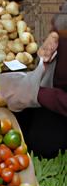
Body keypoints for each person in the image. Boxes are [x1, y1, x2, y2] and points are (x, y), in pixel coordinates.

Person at [10, 20, 65, 157]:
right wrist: (55, 35)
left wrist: (39, 94)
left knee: (42, 146)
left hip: (60, 102)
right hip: (54, 86)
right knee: (17, 112)